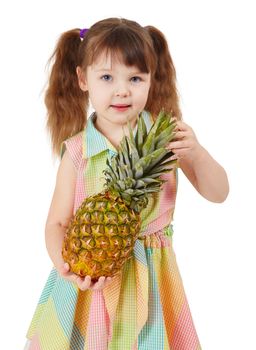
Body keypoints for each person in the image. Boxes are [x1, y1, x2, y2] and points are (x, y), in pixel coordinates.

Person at [24, 17, 229, 350]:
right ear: (82, 79)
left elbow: (218, 193)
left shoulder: (166, 139)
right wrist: (67, 266)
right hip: (89, 281)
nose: (122, 90)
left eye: (135, 78)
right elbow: (57, 222)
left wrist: (198, 153)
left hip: (153, 280)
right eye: (106, 77)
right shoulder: (77, 151)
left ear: (152, 80)